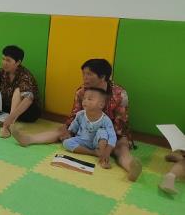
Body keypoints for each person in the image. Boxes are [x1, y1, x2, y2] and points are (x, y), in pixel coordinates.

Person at [12, 57, 141, 181]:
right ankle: (28, 139)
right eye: (83, 74)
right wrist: (68, 129)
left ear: (102, 77)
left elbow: (121, 123)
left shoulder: (120, 94)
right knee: (60, 131)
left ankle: (131, 168)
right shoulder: (81, 91)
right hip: (85, 131)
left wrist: (108, 145)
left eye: (89, 74)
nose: (85, 77)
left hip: (108, 133)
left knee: (122, 146)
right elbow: (75, 115)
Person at [62, 88, 117, 169]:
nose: (85, 101)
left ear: (101, 105)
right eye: (84, 98)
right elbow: (73, 128)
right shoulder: (80, 115)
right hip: (82, 141)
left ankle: (103, 158)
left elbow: (112, 136)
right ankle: (94, 153)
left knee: (102, 132)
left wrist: (107, 151)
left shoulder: (105, 120)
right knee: (66, 143)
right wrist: (68, 133)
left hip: (97, 144)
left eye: (90, 99)